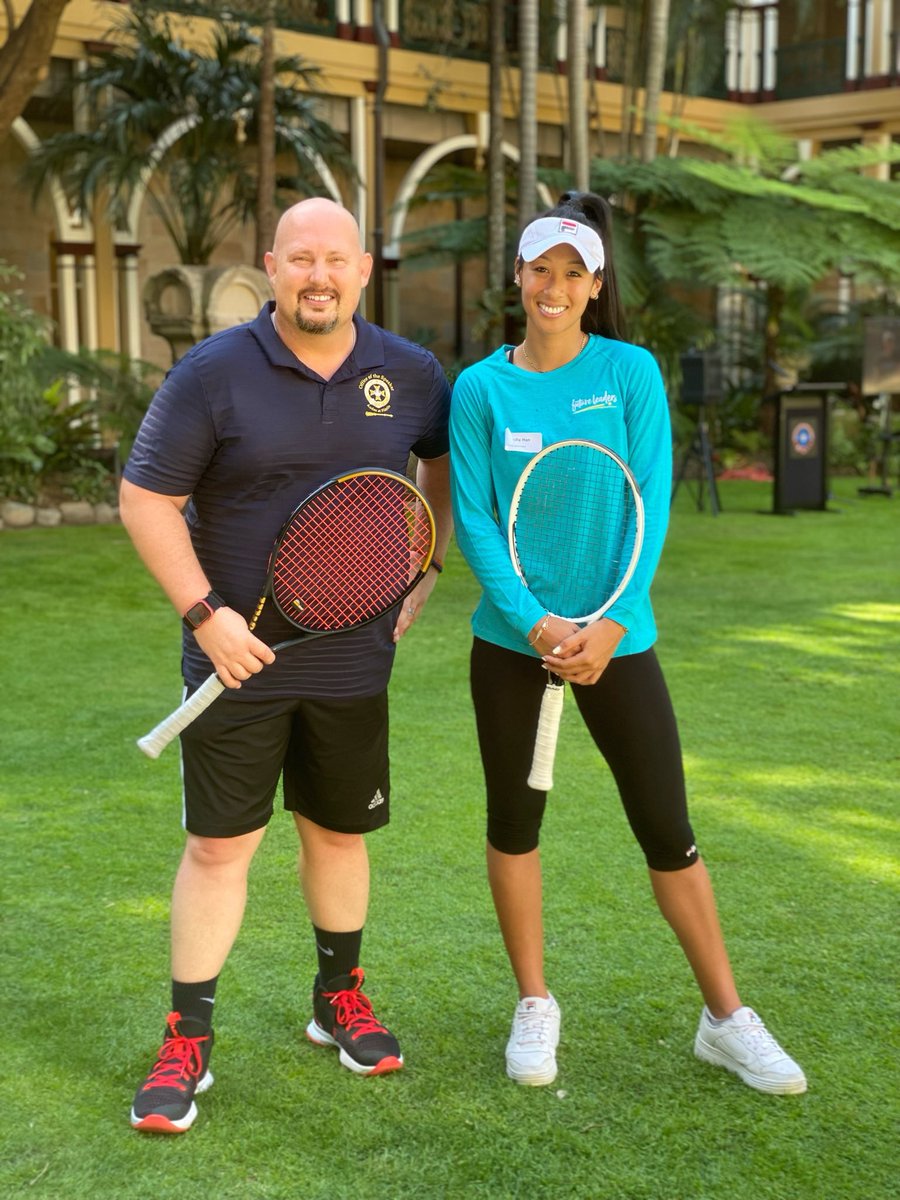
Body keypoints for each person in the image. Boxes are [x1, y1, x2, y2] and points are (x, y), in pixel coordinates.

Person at [448, 191, 806, 1096]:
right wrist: (535, 621)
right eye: (542, 271)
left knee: (668, 830)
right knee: (514, 823)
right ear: (519, 277)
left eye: (574, 273)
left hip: (619, 640)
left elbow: (650, 500)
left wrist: (608, 622)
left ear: (595, 283)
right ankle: (534, 1002)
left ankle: (726, 1018)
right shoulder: (481, 388)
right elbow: (478, 522)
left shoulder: (632, 373)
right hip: (514, 644)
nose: (555, 287)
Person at [121, 197, 452, 1133]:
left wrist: (425, 562)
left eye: (335, 260)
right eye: (300, 259)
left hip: (355, 663)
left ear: (363, 269)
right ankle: (188, 1039)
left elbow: (438, 468)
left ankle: (337, 998)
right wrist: (206, 614)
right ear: (272, 266)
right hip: (235, 660)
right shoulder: (212, 375)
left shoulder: (412, 373)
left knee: (337, 835)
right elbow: (147, 500)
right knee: (219, 849)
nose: (318, 276)